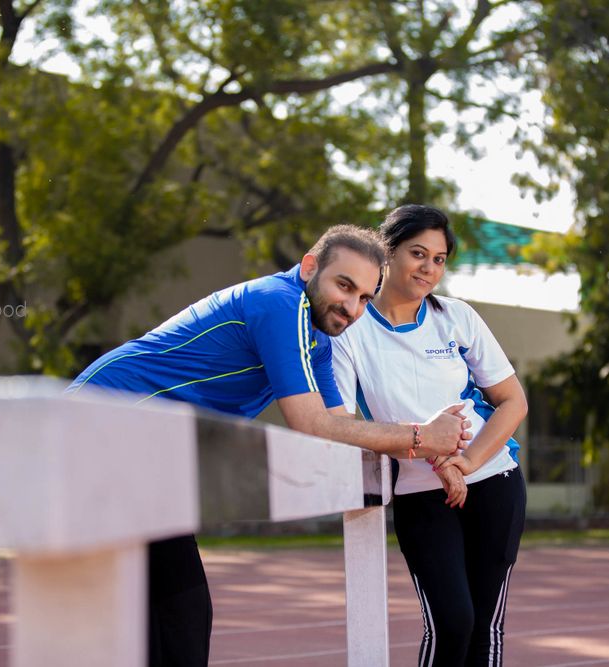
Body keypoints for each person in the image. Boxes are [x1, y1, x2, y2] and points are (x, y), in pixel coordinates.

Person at [66, 224, 472, 666]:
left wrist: (437, 456)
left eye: (364, 298)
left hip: (146, 454)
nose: (352, 307)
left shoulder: (316, 335)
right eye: (344, 286)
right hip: (103, 425)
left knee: (174, 616)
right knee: (161, 620)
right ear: (310, 266)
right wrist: (419, 436)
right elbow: (311, 426)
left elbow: (343, 429)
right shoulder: (279, 304)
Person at [331, 205, 528, 667]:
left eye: (439, 259)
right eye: (418, 253)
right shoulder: (350, 333)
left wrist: (464, 462)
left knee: (484, 626)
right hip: (421, 495)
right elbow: (344, 426)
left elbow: (512, 402)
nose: (429, 268)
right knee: (451, 622)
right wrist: (426, 447)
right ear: (388, 251)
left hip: (493, 482)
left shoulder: (456, 317)